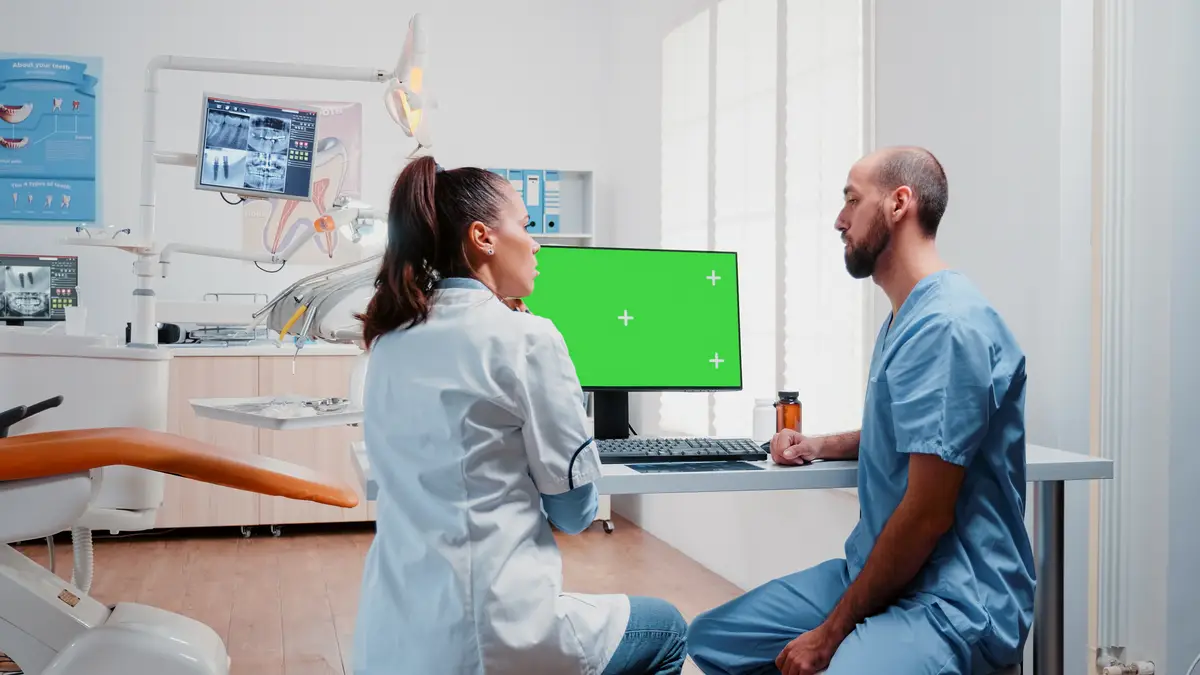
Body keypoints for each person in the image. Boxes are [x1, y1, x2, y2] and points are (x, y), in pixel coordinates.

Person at [685, 147, 1035, 675]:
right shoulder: (907, 315)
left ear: (899, 203)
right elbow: (910, 435)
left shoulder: (947, 326)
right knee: (710, 639)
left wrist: (830, 634)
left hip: (953, 600)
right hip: (879, 572)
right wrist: (820, 445)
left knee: (831, 663)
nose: (839, 220)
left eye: (852, 199)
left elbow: (925, 516)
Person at [351, 156, 688, 675]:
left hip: (393, 635)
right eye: (527, 226)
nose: (536, 243)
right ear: (484, 237)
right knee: (664, 626)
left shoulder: (389, 341)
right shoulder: (526, 338)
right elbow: (574, 515)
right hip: (491, 633)